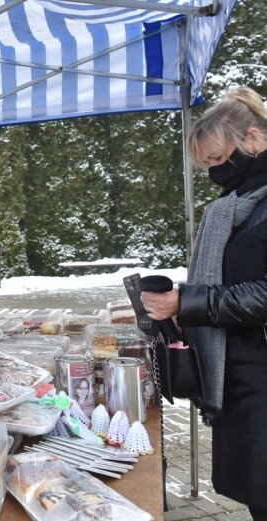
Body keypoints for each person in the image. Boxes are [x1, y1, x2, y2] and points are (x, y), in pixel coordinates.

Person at [140, 86, 267, 521]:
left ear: (254, 138)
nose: (214, 171)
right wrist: (178, 307)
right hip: (241, 375)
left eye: (217, 158)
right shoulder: (235, 206)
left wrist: (191, 302)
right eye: (206, 163)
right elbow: (233, 278)